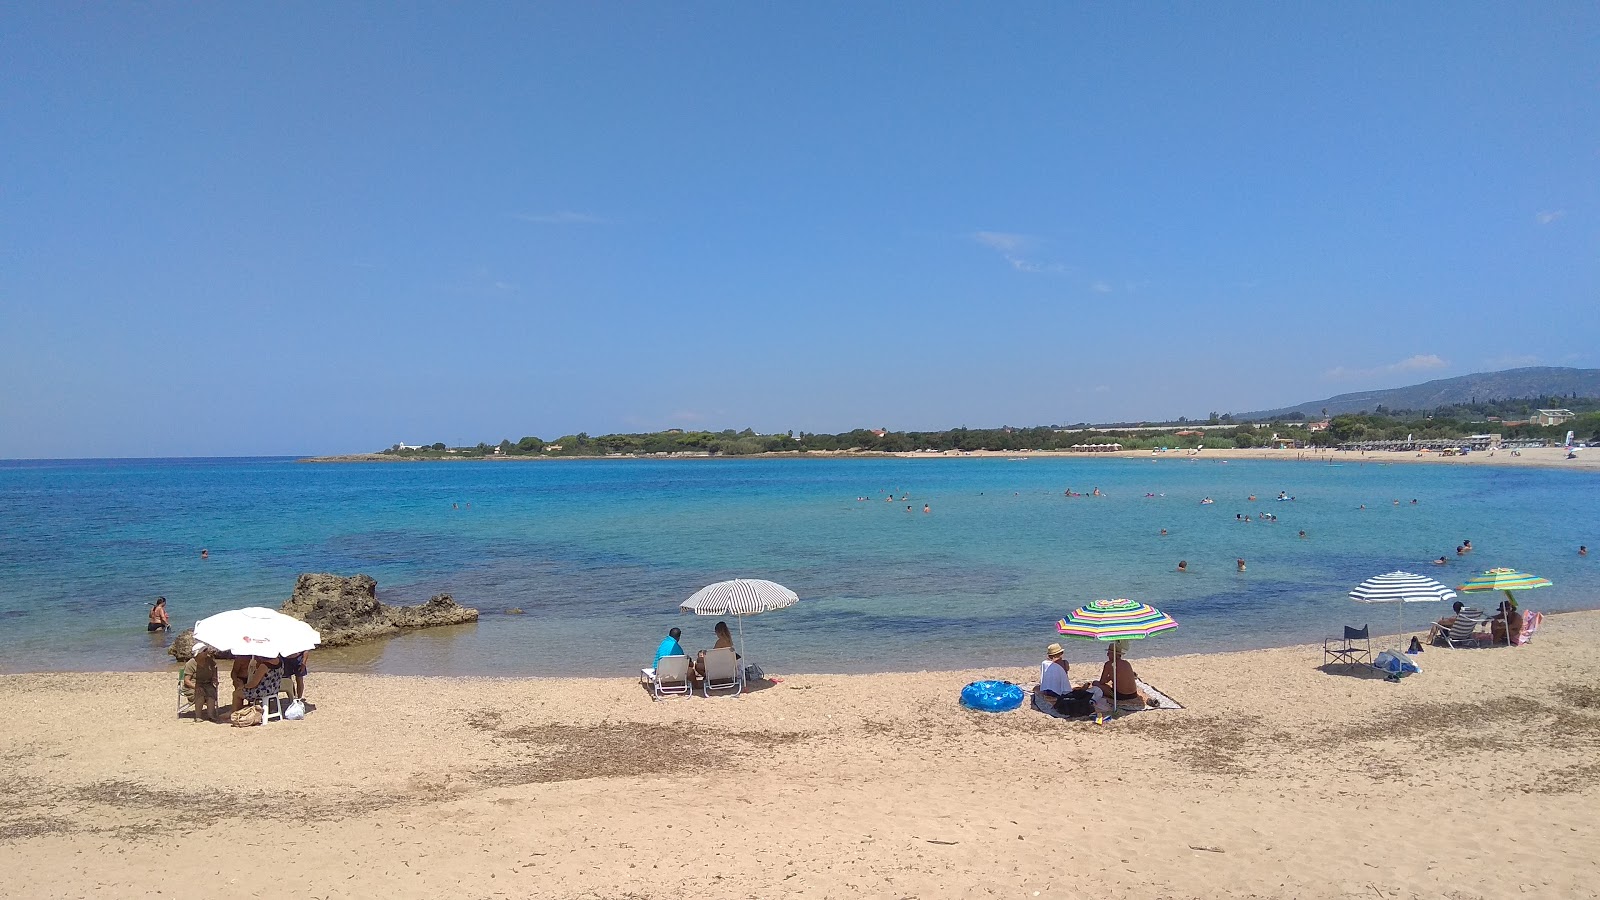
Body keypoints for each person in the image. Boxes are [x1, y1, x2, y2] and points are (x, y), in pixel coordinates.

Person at [1094, 643, 1148, 710]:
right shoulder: (1126, 663)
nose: (1107, 655)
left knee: (1095, 683)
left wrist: (1109, 677)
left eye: (1109, 653)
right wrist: (1111, 677)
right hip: (1133, 694)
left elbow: (1102, 682)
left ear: (1113, 654)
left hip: (1121, 695)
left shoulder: (1108, 664)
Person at [182, 643, 221, 722]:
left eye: (206, 650)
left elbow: (214, 668)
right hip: (193, 685)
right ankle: (198, 716)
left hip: (207, 683)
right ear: (198, 653)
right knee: (200, 693)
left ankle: (211, 715)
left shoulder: (209, 660)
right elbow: (186, 680)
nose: (207, 652)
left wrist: (214, 678)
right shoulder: (191, 663)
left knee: (211, 692)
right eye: (204, 650)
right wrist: (195, 687)